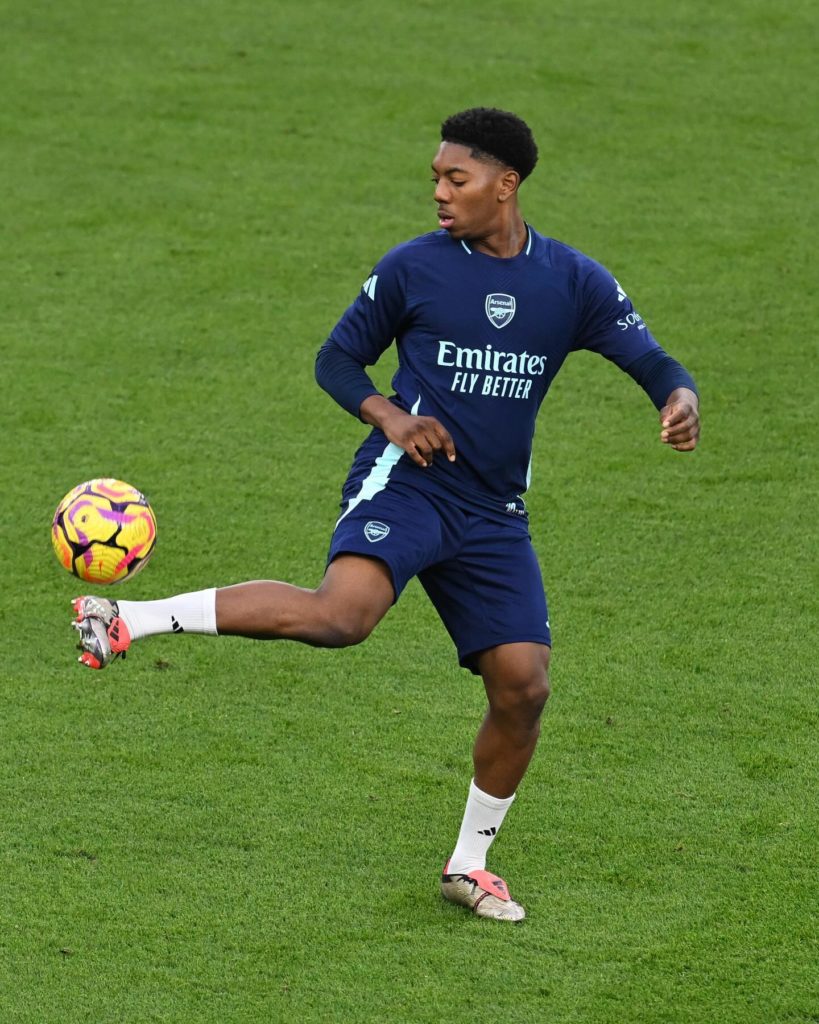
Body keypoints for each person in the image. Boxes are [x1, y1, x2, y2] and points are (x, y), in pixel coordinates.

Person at [72, 108, 700, 922]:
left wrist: (676, 398)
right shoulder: (413, 269)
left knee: (523, 686)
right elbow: (336, 358)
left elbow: (649, 357)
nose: (439, 193)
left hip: (492, 512)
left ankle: (468, 866)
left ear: (505, 186)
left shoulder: (572, 282)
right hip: (405, 484)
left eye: (456, 179)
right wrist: (388, 416)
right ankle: (126, 620)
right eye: (436, 178)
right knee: (343, 616)